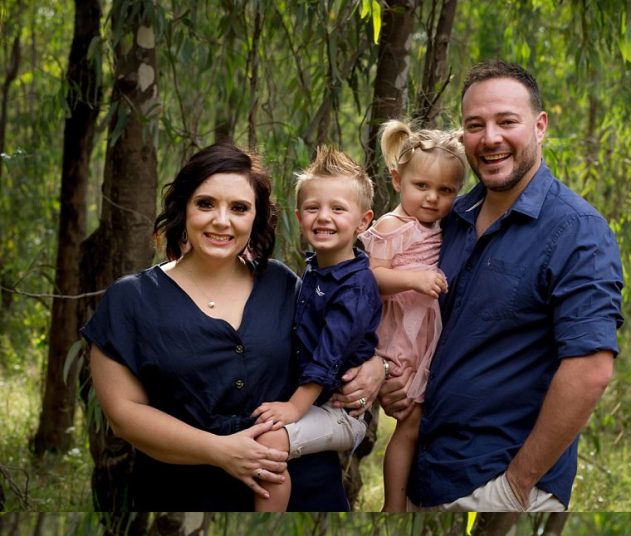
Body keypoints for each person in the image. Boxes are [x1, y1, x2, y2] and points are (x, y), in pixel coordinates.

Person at [83, 142, 383, 512]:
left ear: (256, 218)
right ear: (183, 208)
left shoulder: (284, 284)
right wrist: (220, 451)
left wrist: (376, 366)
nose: (222, 221)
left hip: (308, 493)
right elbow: (124, 415)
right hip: (187, 498)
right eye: (206, 203)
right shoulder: (130, 300)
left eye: (239, 208)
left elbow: (344, 336)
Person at [379, 60, 624, 511]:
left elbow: (591, 369)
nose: (490, 138)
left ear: (540, 126)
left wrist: (514, 486)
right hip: (424, 478)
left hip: (498, 487)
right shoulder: (448, 219)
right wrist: (393, 381)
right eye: (476, 125)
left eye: (506, 122)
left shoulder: (577, 230)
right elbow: (418, 323)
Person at [251, 146, 381, 511]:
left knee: (269, 446)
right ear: (299, 215)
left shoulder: (354, 286)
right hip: (315, 403)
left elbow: (328, 356)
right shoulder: (317, 269)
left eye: (338, 209)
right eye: (313, 208)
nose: (324, 218)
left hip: (342, 412)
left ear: (363, 221)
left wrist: (293, 409)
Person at [359, 121, 466, 511]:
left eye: (446, 191)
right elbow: (369, 280)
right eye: (422, 186)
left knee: (417, 422)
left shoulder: (441, 226)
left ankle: (406, 498)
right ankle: (392, 503)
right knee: (409, 420)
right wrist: (414, 280)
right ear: (397, 179)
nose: (433, 199)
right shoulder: (391, 226)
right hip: (397, 335)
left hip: (426, 340)